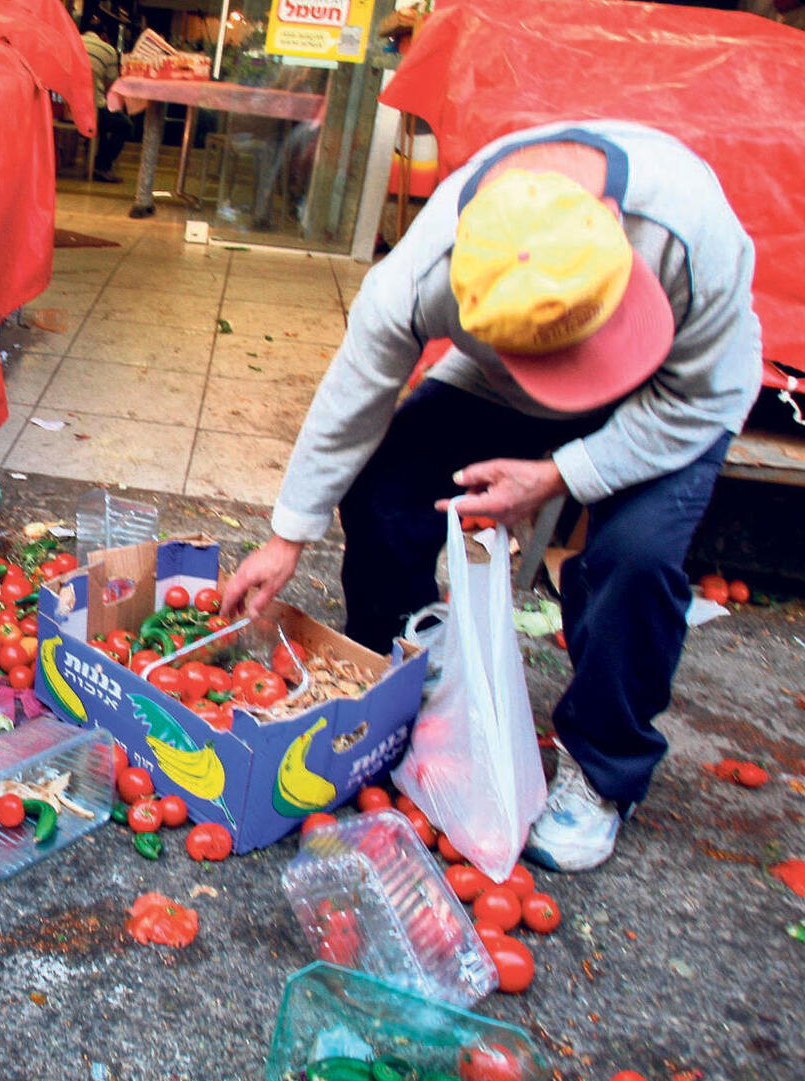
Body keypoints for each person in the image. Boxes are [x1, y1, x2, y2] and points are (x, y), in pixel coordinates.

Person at [222, 121, 761, 872]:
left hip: (670, 395)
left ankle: (603, 771)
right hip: (502, 384)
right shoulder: (420, 275)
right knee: (384, 486)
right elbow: (353, 402)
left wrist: (560, 475)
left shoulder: (689, 235)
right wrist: (288, 533)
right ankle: (397, 670)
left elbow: (698, 404)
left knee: (635, 561)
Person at [81, 11, 130, 184]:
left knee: (103, 117)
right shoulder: (107, 50)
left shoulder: (72, 43)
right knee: (124, 125)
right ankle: (102, 166)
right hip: (92, 110)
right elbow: (112, 86)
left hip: (65, 109)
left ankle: (87, 160)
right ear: (103, 36)